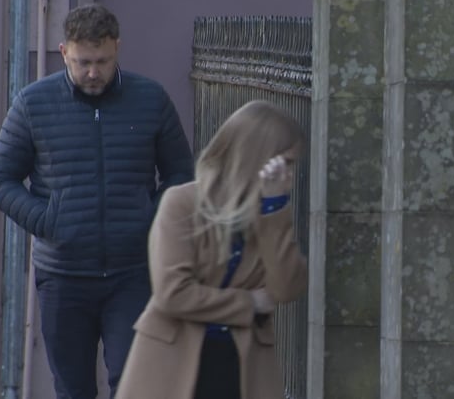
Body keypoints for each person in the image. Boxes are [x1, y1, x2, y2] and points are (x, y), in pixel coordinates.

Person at [0, 3, 194, 399]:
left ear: (117, 48)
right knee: (73, 389)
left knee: (133, 386)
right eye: (83, 62)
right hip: (63, 276)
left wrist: (150, 220)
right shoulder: (34, 104)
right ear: (65, 52)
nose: (93, 72)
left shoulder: (150, 100)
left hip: (133, 274)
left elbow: (181, 174)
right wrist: (49, 221)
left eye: (103, 61)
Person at [115, 100, 309, 399]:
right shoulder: (181, 203)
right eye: (286, 163)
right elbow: (173, 293)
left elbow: (286, 289)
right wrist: (248, 303)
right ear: (256, 158)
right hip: (172, 362)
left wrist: (274, 209)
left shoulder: (271, 216)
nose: (289, 176)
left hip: (241, 363)